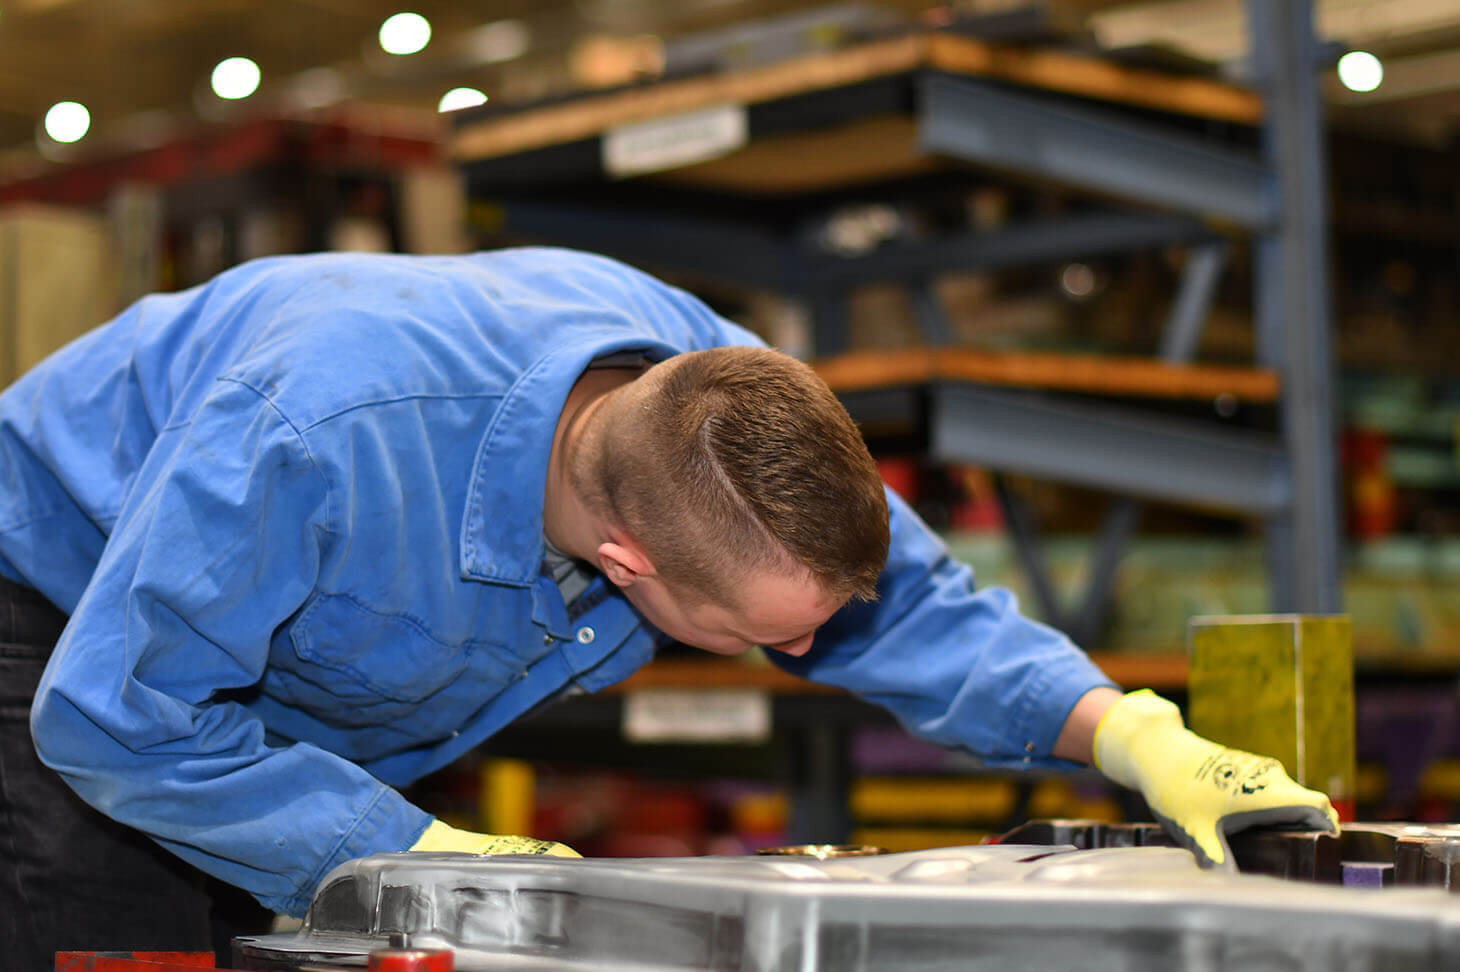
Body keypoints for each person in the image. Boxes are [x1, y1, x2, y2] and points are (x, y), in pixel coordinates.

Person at [0, 247, 1336, 964]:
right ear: (626, 565)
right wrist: (410, 852)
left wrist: (1134, 737)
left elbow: (905, 603)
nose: (813, 655)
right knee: (117, 930)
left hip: (250, 669)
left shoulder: (707, 391)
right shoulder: (312, 439)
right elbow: (123, 718)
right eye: (768, 640)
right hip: (58, 624)